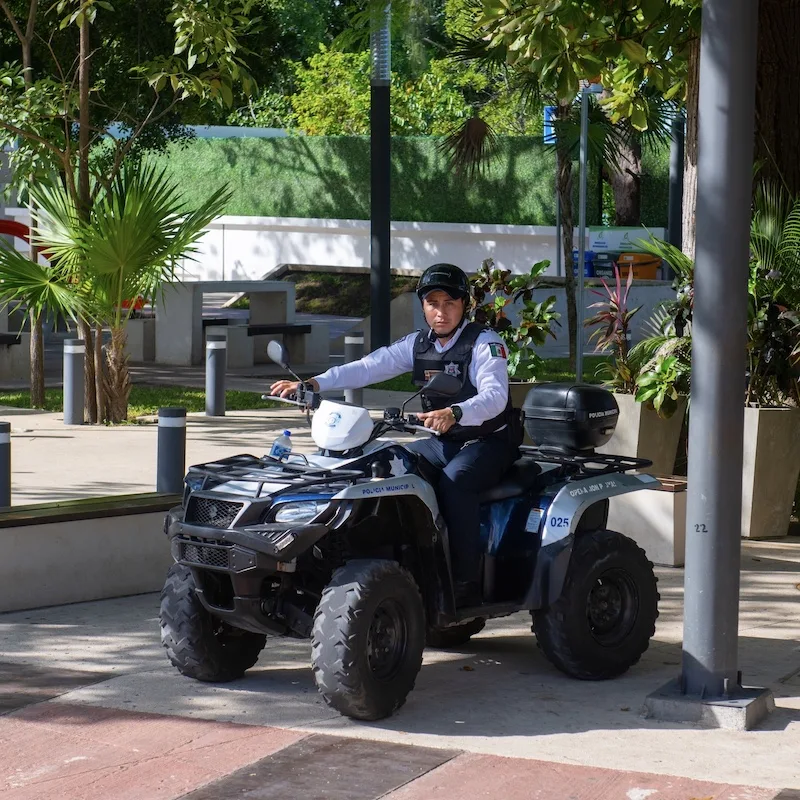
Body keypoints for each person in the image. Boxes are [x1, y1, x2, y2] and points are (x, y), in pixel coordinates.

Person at [270, 263, 520, 605]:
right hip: (442, 442)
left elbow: (495, 397)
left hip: (487, 442)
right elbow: (370, 366)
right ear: (423, 306)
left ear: (465, 305)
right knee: (391, 465)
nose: (441, 311)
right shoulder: (418, 344)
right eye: (433, 303)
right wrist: (314, 383)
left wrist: (456, 412)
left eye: (449, 302)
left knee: (455, 483)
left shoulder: (484, 343)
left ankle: (464, 582)